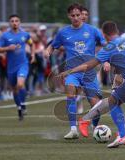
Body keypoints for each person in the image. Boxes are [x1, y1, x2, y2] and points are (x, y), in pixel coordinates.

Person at [44, 3, 106, 139]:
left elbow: (105, 45)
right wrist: (47, 51)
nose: (76, 18)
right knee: (70, 91)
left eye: (78, 15)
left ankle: (95, 128)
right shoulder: (63, 32)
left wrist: (106, 60)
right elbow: (52, 46)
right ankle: (73, 129)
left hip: (89, 72)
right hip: (72, 72)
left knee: (96, 105)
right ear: (69, 16)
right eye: (73, 15)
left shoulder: (92, 30)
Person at [0, 14, 35, 120]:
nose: (14, 23)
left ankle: (23, 104)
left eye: (16, 21)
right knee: (14, 89)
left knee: (20, 84)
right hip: (11, 67)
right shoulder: (5, 36)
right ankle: (19, 108)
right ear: (9, 23)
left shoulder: (25, 34)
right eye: (12, 21)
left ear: (19, 22)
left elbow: (31, 43)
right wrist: (8, 48)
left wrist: (32, 55)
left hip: (23, 64)